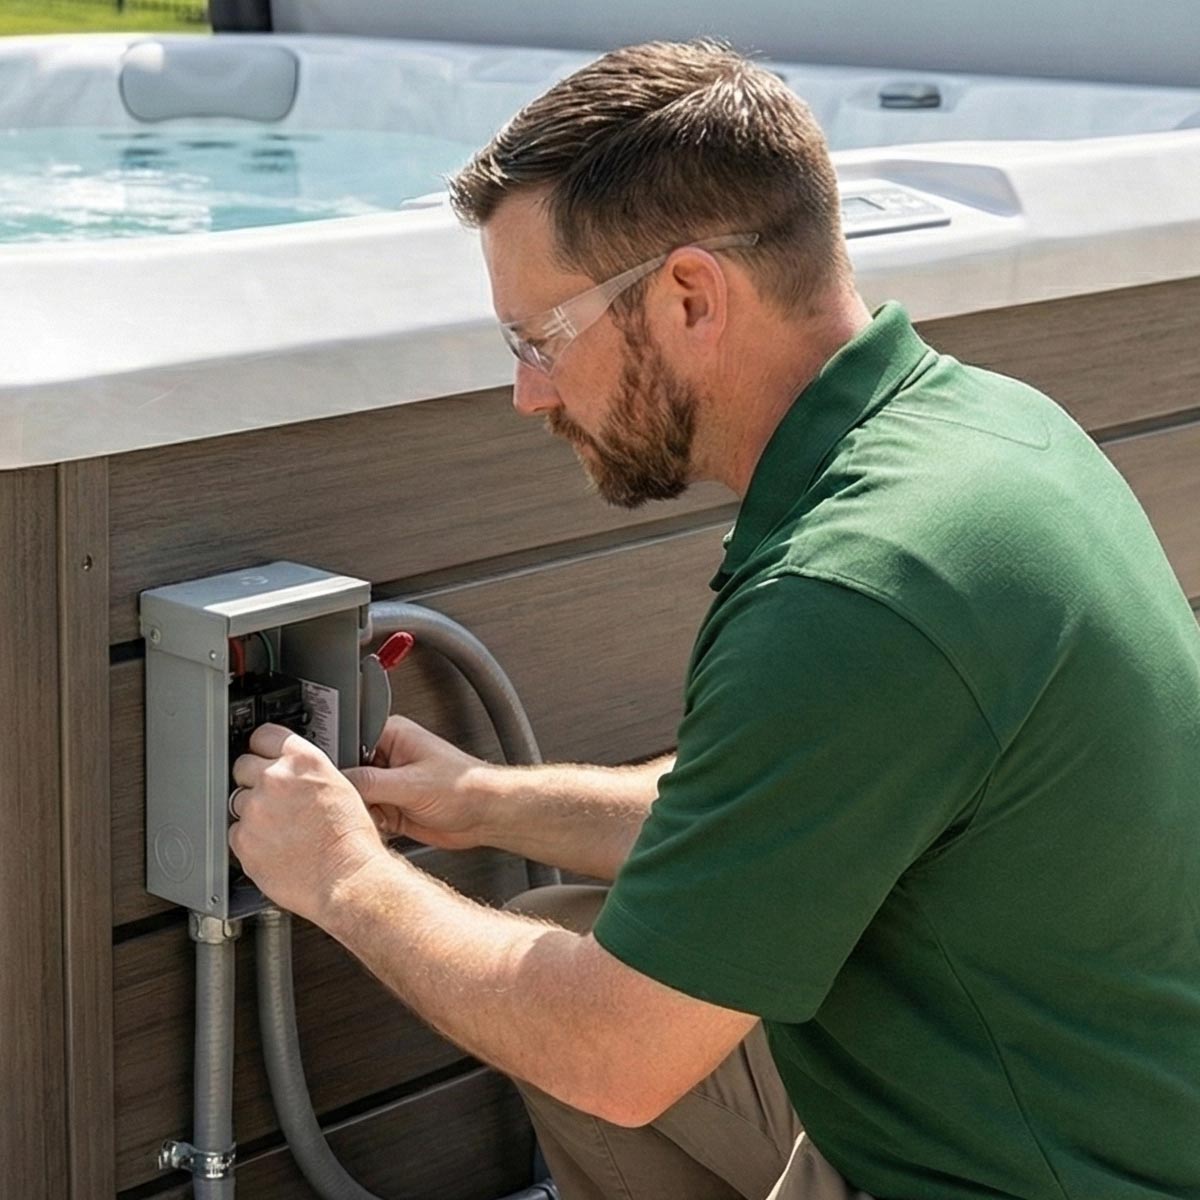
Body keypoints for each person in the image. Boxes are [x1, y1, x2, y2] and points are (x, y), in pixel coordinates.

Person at [227, 40, 1200, 1200]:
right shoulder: (989, 433)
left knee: (574, 1007)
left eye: (540, 339)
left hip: (1040, 1172)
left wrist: (341, 876)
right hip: (1113, 1096)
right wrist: (482, 801)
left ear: (690, 297)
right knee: (560, 921)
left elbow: (617, 1054)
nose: (528, 392)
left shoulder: (852, 591)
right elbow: (773, 808)